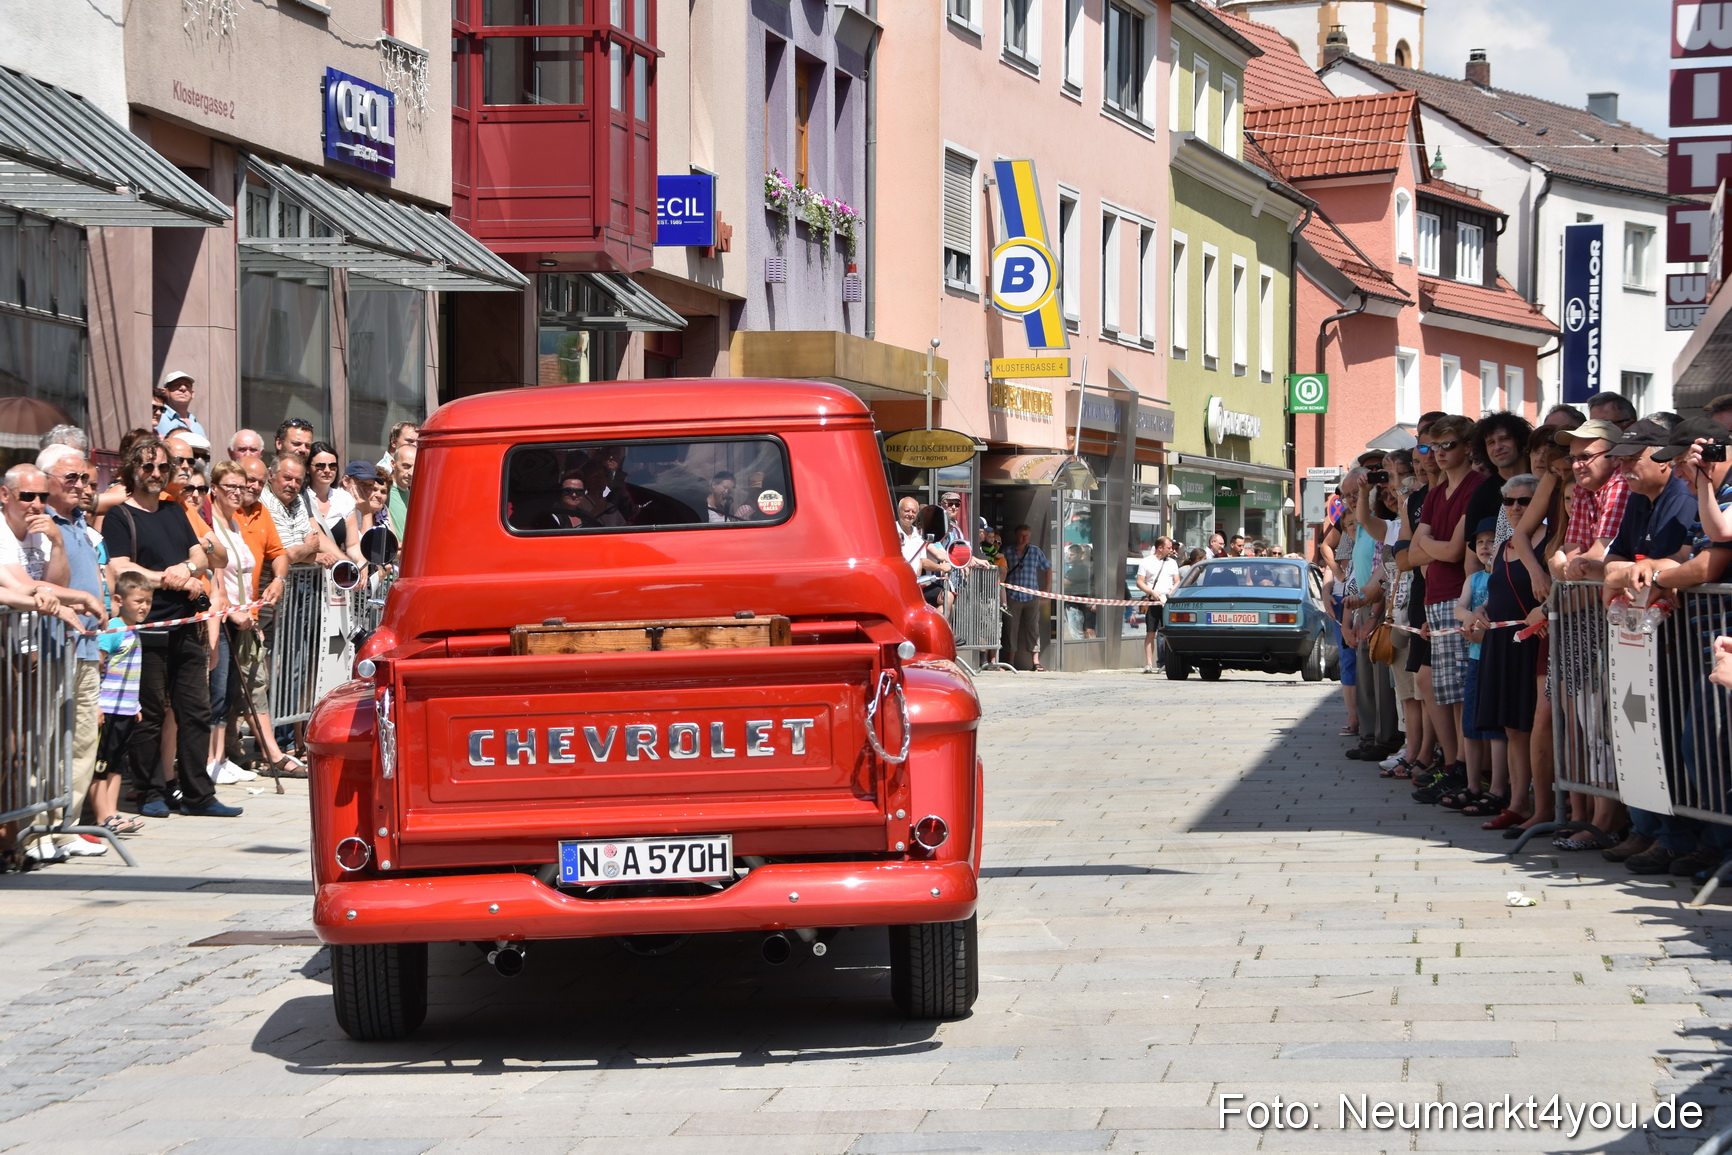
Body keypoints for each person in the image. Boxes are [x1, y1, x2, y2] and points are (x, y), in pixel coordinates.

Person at [100, 437, 239, 819]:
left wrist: (189, 571)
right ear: (133, 469)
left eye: (162, 467)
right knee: (150, 715)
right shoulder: (119, 516)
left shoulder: (174, 510)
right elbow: (122, 569)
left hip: (186, 626)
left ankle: (199, 794)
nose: (156, 474)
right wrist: (168, 578)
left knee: (195, 711)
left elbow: (199, 554)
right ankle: (150, 792)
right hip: (146, 629)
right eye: (148, 467)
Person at [35, 446, 120, 857]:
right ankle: (37, 828)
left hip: (86, 646)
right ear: (47, 479)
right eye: (71, 478)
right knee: (48, 739)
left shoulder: (82, 524)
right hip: (50, 646)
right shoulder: (39, 521)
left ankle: (65, 824)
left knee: (83, 739)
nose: (82, 486)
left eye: (86, 479)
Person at [1409, 415, 1486, 802]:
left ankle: (1468, 774)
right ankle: (1453, 765)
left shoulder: (1477, 487)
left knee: (1458, 693)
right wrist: (1433, 549)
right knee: (1443, 690)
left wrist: (1431, 548)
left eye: (1448, 445)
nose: (1438, 454)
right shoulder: (1436, 493)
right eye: (1432, 447)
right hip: (1434, 597)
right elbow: (1411, 552)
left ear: (1468, 447)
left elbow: (1455, 551)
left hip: (1461, 597)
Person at [208, 459, 297, 778]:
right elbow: (217, 573)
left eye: (251, 483)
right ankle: (218, 759)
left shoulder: (247, 516)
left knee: (241, 687)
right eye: (237, 484)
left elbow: (278, 555)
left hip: (249, 617)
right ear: (216, 488)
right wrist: (232, 609)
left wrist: (278, 580)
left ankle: (225, 756)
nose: (249, 489)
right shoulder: (215, 518)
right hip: (224, 616)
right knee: (222, 691)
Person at [93, 571, 153, 838]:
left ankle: (112, 812)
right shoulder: (114, 628)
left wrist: (135, 705)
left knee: (117, 764)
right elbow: (97, 664)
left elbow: (130, 672)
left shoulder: (134, 631)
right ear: (119, 599)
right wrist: (95, 705)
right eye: (138, 601)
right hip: (108, 708)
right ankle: (101, 815)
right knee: (101, 764)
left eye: (148, 602)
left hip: (126, 708)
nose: (144, 607)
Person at [1001, 523, 1050, 671]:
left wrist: (1046, 591)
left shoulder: (1035, 551)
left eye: (1027, 536)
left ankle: (1036, 662)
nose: (1024, 538)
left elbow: (1047, 567)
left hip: (1031, 596)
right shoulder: (1007, 551)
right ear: (1016, 536)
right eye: (1021, 535)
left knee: (1033, 628)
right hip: (1012, 595)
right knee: (1010, 629)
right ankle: (1010, 662)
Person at [1136, 535, 1179, 673]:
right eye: (1168, 548)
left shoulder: (1172, 563)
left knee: (1167, 633)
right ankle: (1148, 663)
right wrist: (1152, 592)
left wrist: (1173, 589)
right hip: (1153, 601)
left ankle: (1166, 661)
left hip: (1167, 601)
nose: (1171, 550)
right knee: (1150, 632)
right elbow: (1140, 581)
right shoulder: (1147, 562)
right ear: (1160, 548)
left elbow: (1177, 580)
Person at [303, 442, 355, 544]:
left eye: (332, 466)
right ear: (308, 468)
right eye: (320, 466)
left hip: (338, 559)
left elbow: (353, 545)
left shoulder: (345, 499)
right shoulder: (300, 498)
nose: (327, 470)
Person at [154, 371, 205, 440]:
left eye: (187, 385)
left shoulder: (196, 424)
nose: (183, 388)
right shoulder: (157, 417)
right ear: (164, 392)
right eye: (176, 385)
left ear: (192, 394)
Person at [388, 444, 415, 539]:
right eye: (406, 466)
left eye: (415, 467)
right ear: (393, 463)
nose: (411, 473)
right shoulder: (384, 492)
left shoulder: (415, 496)